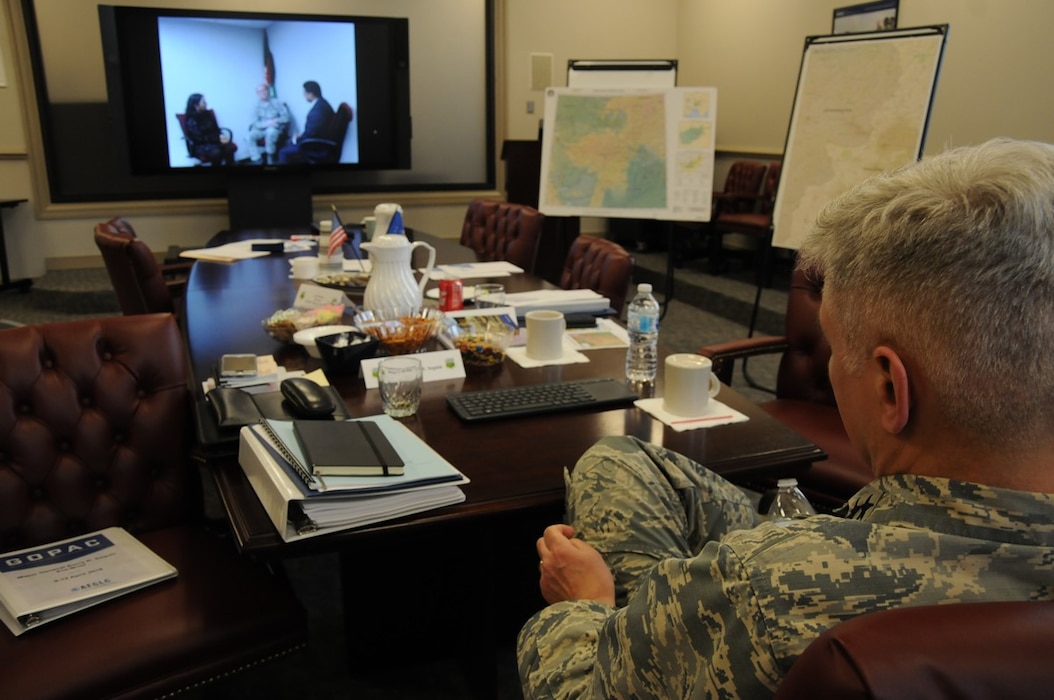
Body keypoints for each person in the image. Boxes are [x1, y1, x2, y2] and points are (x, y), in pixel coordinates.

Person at [517, 138, 1054, 698]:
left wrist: (585, 604)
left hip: (755, 587)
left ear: (890, 388)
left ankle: (639, 631)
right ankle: (657, 626)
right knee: (620, 458)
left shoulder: (762, 590)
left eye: (834, 348)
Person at [277, 80, 335, 165]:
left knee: (283, 151)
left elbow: (310, 135)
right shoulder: (323, 103)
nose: (304, 96)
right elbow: (315, 130)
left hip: (316, 147)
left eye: (304, 93)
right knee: (290, 142)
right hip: (321, 141)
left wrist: (297, 139)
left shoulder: (316, 112)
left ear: (310, 94)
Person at [182, 94, 236, 166]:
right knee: (216, 152)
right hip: (202, 145)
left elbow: (216, 129)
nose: (206, 103)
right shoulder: (191, 119)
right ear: (196, 105)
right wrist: (216, 139)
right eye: (203, 102)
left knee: (229, 147)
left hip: (214, 140)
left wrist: (222, 137)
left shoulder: (208, 114)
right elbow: (199, 138)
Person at [246, 83, 290, 165]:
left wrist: (276, 120)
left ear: (268, 91)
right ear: (257, 94)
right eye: (259, 92)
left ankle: (270, 156)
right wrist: (266, 124)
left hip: (274, 127)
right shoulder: (256, 106)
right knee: (248, 137)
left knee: (270, 132)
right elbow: (254, 122)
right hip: (260, 128)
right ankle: (257, 159)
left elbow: (286, 118)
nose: (262, 93)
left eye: (264, 90)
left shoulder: (277, 102)